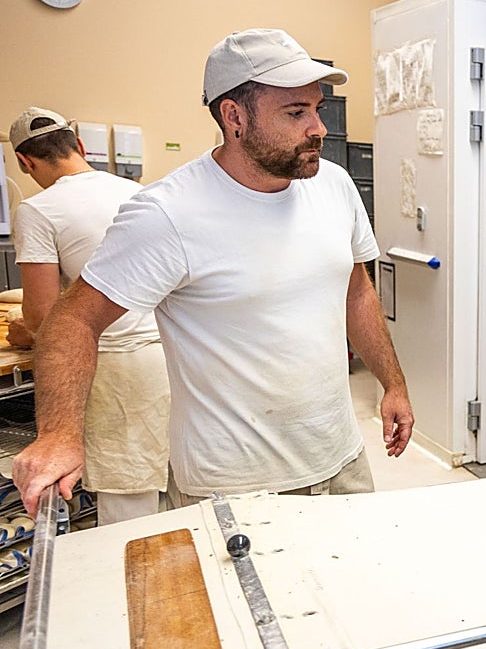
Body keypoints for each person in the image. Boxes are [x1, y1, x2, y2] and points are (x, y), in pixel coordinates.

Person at [13, 29, 414, 515]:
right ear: (234, 116)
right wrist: (59, 433)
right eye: (295, 112)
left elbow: (356, 292)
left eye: (317, 109)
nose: (318, 128)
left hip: (341, 459)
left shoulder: (333, 184)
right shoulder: (168, 213)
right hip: (235, 485)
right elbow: (71, 320)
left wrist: (393, 382)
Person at [6, 107, 170, 525]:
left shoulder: (38, 210)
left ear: (25, 162)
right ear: (79, 146)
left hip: (116, 366)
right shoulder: (142, 192)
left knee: (127, 505)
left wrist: (26, 333)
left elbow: (44, 318)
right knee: (172, 487)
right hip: (173, 355)